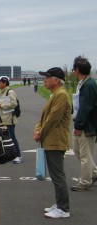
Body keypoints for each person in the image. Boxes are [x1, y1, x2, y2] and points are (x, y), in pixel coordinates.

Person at [34, 67, 71, 219]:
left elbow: (53, 118)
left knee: (57, 175)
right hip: (49, 139)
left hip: (55, 140)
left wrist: (40, 133)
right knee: (56, 175)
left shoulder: (61, 95)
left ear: (56, 80)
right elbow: (44, 118)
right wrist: (38, 129)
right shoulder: (55, 95)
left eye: (47, 77)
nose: (44, 80)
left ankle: (63, 208)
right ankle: (59, 204)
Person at [70, 56, 97, 192]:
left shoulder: (89, 85)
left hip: (86, 126)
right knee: (78, 150)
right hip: (81, 123)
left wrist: (79, 126)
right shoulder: (85, 83)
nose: (74, 72)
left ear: (78, 70)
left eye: (74, 69)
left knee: (85, 155)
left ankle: (86, 181)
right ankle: (93, 173)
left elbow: (86, 107)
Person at [0, 76, 22, 164]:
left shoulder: (10, 92)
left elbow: (14, 103)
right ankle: (12, 154)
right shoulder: (4, 92)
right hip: (5, 119)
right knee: (8, 137)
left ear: (4, 83)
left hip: (9, 119)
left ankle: (18, 156)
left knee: (12, 138)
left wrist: (2, 106)